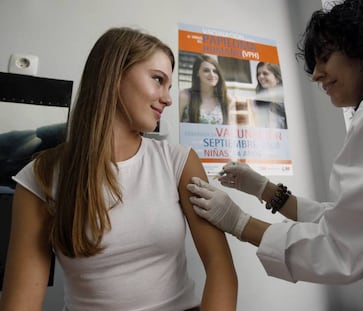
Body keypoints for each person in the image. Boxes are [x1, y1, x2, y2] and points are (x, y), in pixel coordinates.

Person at [186, 0, 363, 310]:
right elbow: (350, 221)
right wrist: (265, 189)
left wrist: (238, 222)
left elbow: (340, 248)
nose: (315, 75)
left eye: (324, 58)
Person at [0, 27, 237, 311]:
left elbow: (220, 267)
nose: (168, 98)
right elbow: (20, 303)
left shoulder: (179, 162)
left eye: (169, 86)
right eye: (158, 80)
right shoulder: (40, 178)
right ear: (113, 75)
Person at [179, 54, 231, 125]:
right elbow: (174, 127)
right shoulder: (185, 96)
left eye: (215, 71)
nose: (212, 75)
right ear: (197, 73)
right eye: (206, 70)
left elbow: (229, 131)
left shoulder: (225, 99)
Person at [253, 62, 287, 129]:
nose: (260, 77)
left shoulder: (286, 102)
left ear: (277, 78)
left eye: (265, 73)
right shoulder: (257, 102)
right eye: (258, 74)